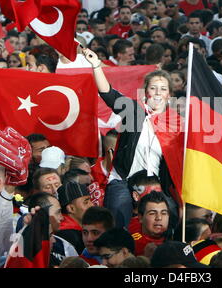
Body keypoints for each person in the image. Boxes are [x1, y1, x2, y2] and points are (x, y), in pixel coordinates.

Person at [82, 48, 183, 231]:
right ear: (146, 92)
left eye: (163, 89)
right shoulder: (134, 111)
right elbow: (108, 94)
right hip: (123, 180)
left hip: (157, 185)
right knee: (118, 223)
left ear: (169, 95)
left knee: (173, 220)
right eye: (153, 88)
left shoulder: (176, 123)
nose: (158, 93)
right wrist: (96, 65)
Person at [55, 181, 94, 254]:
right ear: (71, 208)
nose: (92, 205)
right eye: (86, 202)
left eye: (90, 200)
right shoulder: (68, 236)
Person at [131, 190, 170, 257]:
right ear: (140, 218)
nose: (159, 218)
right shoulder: (131, 244)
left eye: (164, 213)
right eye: (152, 213)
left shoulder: (178, 237)